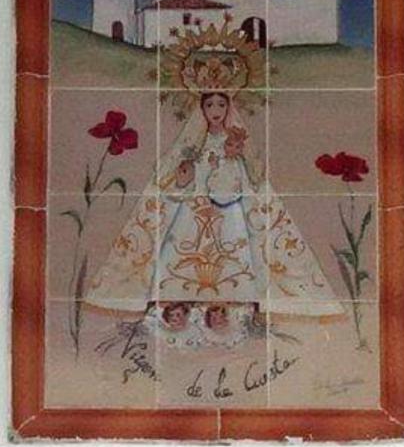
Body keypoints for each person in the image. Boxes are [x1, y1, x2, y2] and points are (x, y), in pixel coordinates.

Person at [85, 86, 344, 323]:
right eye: (210, 105)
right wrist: (185, 174)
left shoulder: (236, 140)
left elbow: (249, 178)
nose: (215, 111)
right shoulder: (193, 142)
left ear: (229, 107)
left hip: (230, 208)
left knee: (237, 251)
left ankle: (235, 308)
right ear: (202, 109)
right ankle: (178, 307)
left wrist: (233, 159)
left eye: (221, 104)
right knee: (181, 249)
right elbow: (178, 177)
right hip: (194, 207)